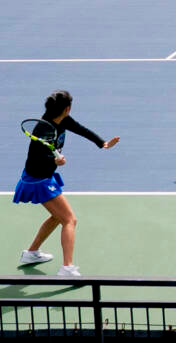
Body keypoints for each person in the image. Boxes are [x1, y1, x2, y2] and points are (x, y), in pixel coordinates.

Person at [15, 88, 119, 278]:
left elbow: (80, 129)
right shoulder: (43, 129)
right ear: (67, 108)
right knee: (69, 219)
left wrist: (102, 143)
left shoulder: (62, 119)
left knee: (57, 217)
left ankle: (31, 253)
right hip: (38, 179)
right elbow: (34, 160)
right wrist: (53, 161)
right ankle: (67, 268)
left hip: (44, 176)